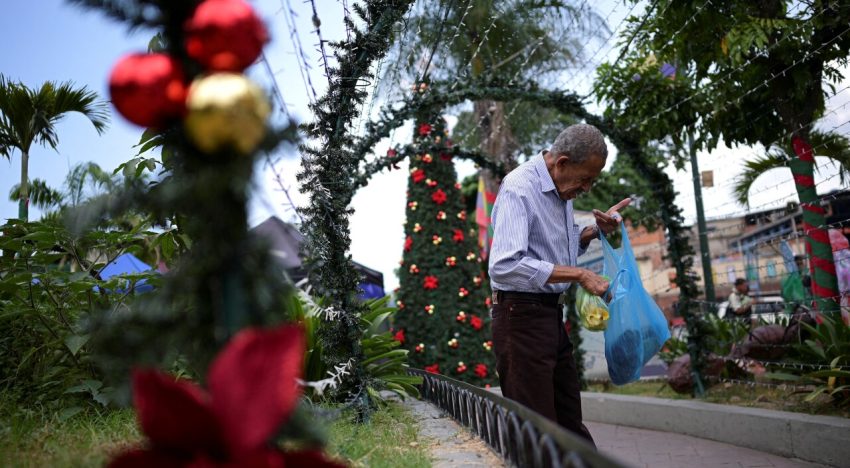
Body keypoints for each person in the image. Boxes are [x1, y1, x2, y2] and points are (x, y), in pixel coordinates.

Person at [488, 123, 629, 446]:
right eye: (585, 179)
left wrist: (594, 230)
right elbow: (505, 265)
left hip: (550, 318)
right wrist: (579, 275)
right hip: (520, 319)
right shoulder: (519, 188)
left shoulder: (560, 189)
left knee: (569, 424)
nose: (588, 188)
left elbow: (553, 248)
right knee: (538, 432)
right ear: (562, 162)